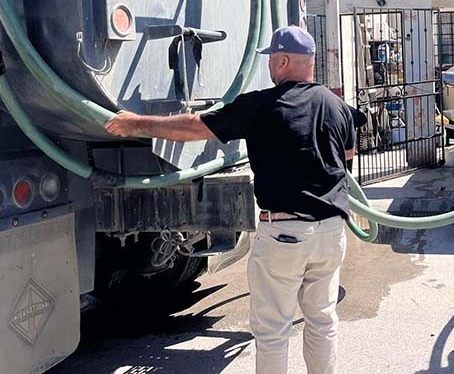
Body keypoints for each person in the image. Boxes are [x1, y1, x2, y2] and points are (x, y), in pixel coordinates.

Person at [104, 26, 355, 373]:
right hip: (331, 234)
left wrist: (136, 123)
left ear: (282, 61)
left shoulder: (262, 105)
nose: (269, 66)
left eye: (271, 59)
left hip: (284, 235)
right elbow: (348, 156)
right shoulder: (337, 106)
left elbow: (195, 128)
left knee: (273, 332)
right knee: (323, 322)